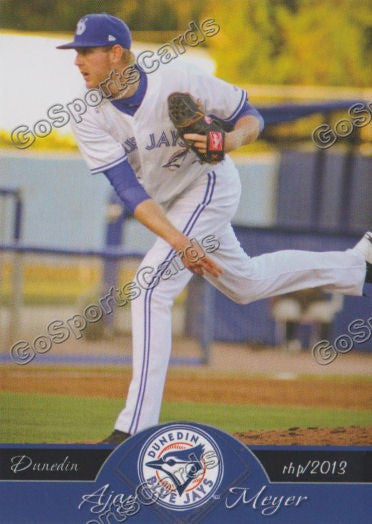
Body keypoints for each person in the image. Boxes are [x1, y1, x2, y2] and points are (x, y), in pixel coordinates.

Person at [57, 13, 371, 444]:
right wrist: (180, 242)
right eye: (75, 53)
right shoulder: (87, 114)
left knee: (150, 290)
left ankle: (134, 429)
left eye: (86, 51)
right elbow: (129, 192)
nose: (77, 61)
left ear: (116, 53)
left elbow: (249, 115)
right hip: (171, 208)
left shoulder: (177, 78)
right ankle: (357, 266)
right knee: (246, 284)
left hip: (210, 186)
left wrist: (229, 141)